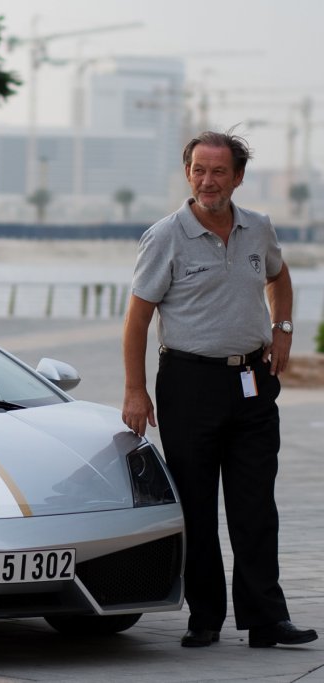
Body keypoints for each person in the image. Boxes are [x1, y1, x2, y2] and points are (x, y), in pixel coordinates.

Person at [121, 130, 317, 649]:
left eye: (219, 172)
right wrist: (135, 391)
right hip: (188, 384)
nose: (208, 181)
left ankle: (266, 619)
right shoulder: (165, 236)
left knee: (256, 505)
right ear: (188, 173)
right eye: (199, 171)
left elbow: (280, 277)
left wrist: (283, 330)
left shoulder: (259, 228)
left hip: (253, 383)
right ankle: (204, 617)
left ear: (238, 177)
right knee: (197, 506)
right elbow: (137, 319)